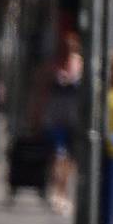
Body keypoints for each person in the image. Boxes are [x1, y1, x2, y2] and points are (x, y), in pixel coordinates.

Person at [33, 30, 85, 212]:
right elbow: (42, 90)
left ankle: (64, 192)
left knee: (69, 159)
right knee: (57, 155)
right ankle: (56, 191)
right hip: (55, 118)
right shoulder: (53, 66)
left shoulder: (80, 65)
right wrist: (37, 114)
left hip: (73, 118)